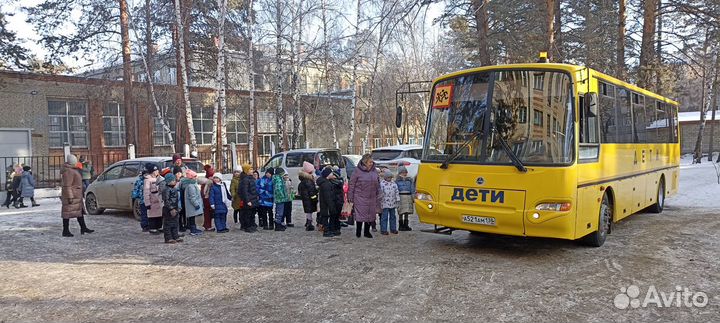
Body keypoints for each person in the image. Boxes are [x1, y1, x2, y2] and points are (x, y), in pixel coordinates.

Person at [348, 153, 381, 238]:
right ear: (365, 162)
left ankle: (367, 232)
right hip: (360, 197)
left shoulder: (374, 171)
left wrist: (379, 193)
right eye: (370, 162)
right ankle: (358, 232)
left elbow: (378, 183)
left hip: (372, 197)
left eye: (372, 162)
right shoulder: (357, 171)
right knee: (360, 215)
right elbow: (352, 184)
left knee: (370, 215)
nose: (371, 163)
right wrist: (350, 196)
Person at [61, 154, 94, 237]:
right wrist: (70, 196)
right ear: (72, 162)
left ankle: (83, 227)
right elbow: (67, 185)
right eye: (75, 160)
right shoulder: (69, 171)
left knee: (79, 212)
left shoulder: (73, 169)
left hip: (76, 195)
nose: (76, 161)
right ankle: (65, 231)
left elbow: (83, 168)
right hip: (72, 196)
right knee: (67, 213)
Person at [317, 167, 343, 237]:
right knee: (326, 217)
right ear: (328, 175)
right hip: (327, 205)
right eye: (331, 173)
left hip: (326, 204)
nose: (332, 174)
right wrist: (331, 205)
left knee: (326, 217)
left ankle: (329, 230)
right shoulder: (326, 184)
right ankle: (326, 231)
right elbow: (328, 197)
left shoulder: (326, 182)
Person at [161, 173, 183, 244]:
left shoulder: (174, 189)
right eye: (173, 180)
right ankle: (168, 237)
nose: (174, 181)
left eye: (174, 180)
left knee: (175, 223)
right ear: (168, 181)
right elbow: (166, 200)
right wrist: (171, 208)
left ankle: (175, 236)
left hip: (175, 207)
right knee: (168, 224)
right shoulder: (166, 190)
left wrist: (177, 207)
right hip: (168, 209)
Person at [181, 169, 204, 236]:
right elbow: (192, 197)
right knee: (192, 218)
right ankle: (193, 230)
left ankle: (193, 229)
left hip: (191, 205)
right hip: (192, 206)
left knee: (192, 218)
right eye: (194, 176)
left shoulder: (191, 184)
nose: (196, 178)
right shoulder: (191, 186)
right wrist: (196, 204)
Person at [143, 163, 164, 234]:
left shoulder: (159, 178)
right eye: (155, 171)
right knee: (152, 215)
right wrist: (147, 203)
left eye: (157, 170)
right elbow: (146, 192)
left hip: (159, 200)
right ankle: (152, 228)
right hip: (152, 201)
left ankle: (159, 227)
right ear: (152, 171)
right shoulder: (147, 180)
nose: (157, 172)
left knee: (159, 215)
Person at [238, 163, 259, 233]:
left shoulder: (251, 178)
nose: (252, 170)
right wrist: (247, 201)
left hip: (253, 199)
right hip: (249, 200)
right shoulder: (245, 179)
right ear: (246, 170)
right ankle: (247, 226)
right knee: (248, 214)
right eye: (250, 169)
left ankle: (252, 225)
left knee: (252, 214)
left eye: (252, 169)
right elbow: (245, 191)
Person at [298, 162, 318, 231]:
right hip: (309, 199)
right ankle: (309, 224)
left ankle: (308, 221)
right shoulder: (308, 181)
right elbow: (311, 191)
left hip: (305, 199)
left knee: (308, 211)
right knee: (309, 211)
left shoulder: (303, 180)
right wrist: (315, 198)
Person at [380, 169, 400, 235]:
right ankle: (383, 229)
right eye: (388, 177)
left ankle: (393, 229)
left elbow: (396, 192)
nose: (389, 179)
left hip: (393, 203)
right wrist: (380, 200)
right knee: (384, 217)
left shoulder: (394, 184)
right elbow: (380, 193)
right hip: (385, 203)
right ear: (385, 177)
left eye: (390, 177)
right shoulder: (382, 184)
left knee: (393, 217)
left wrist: (397, 199)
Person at [395, 166, 415, 231]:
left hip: (408, 197)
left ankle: (406, 225)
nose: (404, 174)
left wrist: (413, 197)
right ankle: (401, 225)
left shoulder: (409, 180)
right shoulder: (397, 181)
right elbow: (396, 190)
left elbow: (412, 189)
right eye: (403, 172)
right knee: (401, 211)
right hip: (401, 197)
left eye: (405, 172)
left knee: (407, 211)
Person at [172, 166, 187, 233]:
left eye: (179, 173)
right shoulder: (173, 180)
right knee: (179, 213)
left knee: (184, 212)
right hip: (177, 199)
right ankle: (179, 226)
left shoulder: (183, 180)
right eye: (177, 173)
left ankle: (185, 224)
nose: (178, 174)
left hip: (183, 198)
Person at [201, 165, 215, 231]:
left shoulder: (209, 182)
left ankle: (207, 225)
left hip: (208, 199)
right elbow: (204, 192)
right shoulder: (207, 182)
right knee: (208, 213)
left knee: (208, 213)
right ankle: (207, 225)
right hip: (207, 200)